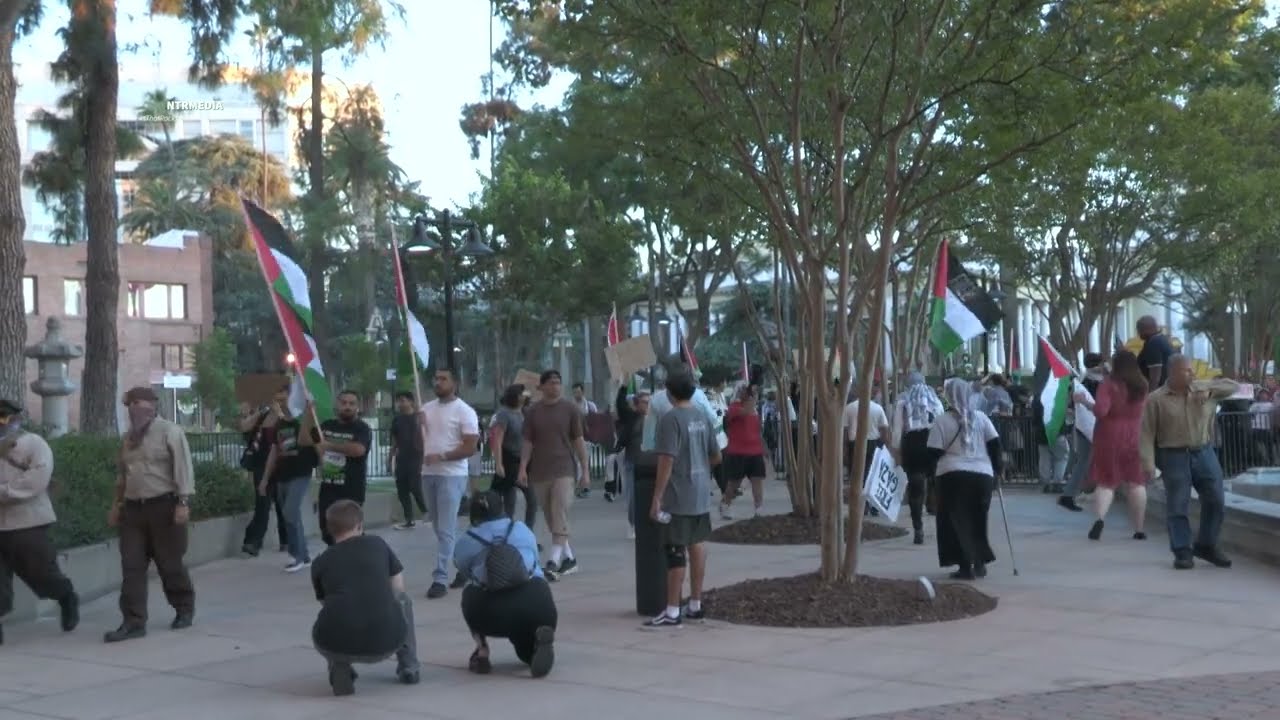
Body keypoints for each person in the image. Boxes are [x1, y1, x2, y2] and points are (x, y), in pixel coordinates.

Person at [105, 386, 197, 642]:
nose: (134, 408)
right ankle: (133, 621)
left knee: (170, 564)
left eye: (139, 402)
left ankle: (184, 608)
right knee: (131, 566)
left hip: (164, 506)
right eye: (130, 404)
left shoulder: (170, 431)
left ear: (152, 405)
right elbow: (123, 477)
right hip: (133, 510)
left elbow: (183, 468)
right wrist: (116, 505)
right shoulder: (128, 439)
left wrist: (183, 502)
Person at [310, 500, 420, 695]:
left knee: (332, 614)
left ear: (329, 529)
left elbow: (324, 602)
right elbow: (398, 588)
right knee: (404, 601)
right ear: (360, 525)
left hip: (341, 645)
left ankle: (340, 668)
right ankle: (408, 665)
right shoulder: (377, 544)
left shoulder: (320, 562)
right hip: (388, 641)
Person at [1139, 355, 1239, 570]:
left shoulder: (1202, 388)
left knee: (1216, 500)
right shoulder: (1156, 399)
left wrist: (1210, 390)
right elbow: (1146, 434)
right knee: (1178, 505)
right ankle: (1182, 551)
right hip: (1173, 455)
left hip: (1204, 453)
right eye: (1186, 371)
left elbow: (1234, 386)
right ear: (1172, 372)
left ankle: (1207, 544)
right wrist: (1148, 464)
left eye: (1192, 370)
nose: (1192, 374)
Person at [644, 370, 720, 629]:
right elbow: (716, 455)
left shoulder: (670, 419)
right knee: (697, 545)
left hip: (678, 494)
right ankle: (695, 604)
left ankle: (672, 610)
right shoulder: (702, 417)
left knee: (675, 549)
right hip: (700, 492)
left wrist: (657, 497)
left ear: (669, 392)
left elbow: (667, 459)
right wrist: (699, 466)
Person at [453, 491, 557, 678]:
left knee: (469, 591)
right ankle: (539, 636)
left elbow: (462, 568)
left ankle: (482, 650)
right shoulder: (522, 529)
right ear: (502, 509)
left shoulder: (468, 538)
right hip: (537, 601)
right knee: (525, 648)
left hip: (490, 611)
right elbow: (534, 557)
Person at [0, 399, 78, 643]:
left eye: (5, 418)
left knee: (42, 572)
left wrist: (4, 492)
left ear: (15, 419)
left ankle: (66, 596)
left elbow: (37, 479)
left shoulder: (33, 443)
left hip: (27, 522)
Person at [928, 379, 1001, 581]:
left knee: (956, 522)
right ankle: (979, 562)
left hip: (953, 476)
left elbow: (933, 451)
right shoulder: (982, 418)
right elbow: (995, 445)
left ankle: (964, 566)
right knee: (978, 520)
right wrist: (997, 471)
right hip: (982, 476)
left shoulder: (942, 421)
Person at [520, 370, 589, 579]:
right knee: (551, 517)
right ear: (541, 387)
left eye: (558, 383)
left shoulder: (570, 409)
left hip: (564, 469)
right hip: (540, 471)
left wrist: (585, 470)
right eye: (550, 383)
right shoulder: (532, 411)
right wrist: (522, 467)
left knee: (559, 510)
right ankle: (569, 559)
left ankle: (552, 561)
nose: (555, 386)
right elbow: (527, 442)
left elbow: (579, 441)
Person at [420, 368, 481, 599]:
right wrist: (419, 425)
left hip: (452, 474)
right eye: (435, 379)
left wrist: (443, 457)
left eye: (443, 378)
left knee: (445, 529)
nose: (438, 382)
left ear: (454, 383)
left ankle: (440, 578)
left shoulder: (465, 411)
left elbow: (470, 446)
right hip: (428, 473)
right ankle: (464, 567)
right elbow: (423, 442)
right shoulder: (426, 409)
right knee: (439, 527)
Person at [1074, 350, 1148, 541]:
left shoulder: (1108, 385)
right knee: (1136, 482)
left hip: (1108, 436)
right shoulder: (1142, 385)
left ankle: (1099, 519)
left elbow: (1100, 411)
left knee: (1106, 482)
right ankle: (1139, 529)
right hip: (1133, 436)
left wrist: (1084, 402)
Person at [262, 397, 320, 574]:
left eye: (286, 400)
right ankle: (304, 555)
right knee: (290, 516)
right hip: (282, 475)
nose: (282, 403)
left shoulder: (303, 422)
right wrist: (265, 478)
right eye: (280, 401)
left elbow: (318, 446)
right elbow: (274, 452)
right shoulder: (278, 425)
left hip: (301, 473)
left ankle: (297, 555)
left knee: (290, 511)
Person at [889, 371, 943, 545]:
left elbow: (897, 429)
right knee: (937, 481)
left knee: (916, 487)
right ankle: (936, 511)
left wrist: (895, 449)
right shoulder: (934, 398)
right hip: (932, 441)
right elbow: (941, 421)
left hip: (912, 444)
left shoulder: (903, 400)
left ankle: (918, 527)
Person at [317, 391, 372, 546]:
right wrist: (309, 413)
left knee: (350, 532)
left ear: (357, 407)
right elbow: (308, 440)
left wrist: (330, 446)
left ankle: (359, 561)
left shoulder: (362, 428)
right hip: (328, 487)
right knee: (327, 531)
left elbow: (358, 450)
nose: (347, 406)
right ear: (337, 404)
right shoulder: (327, 426)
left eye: (351, 403)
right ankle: (338, 562)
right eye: (344, 403)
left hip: (351, 489)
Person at [240, 390, 289, 556]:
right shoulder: (264, 415)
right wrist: (262, 412)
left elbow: (290, 435)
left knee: (283, 504)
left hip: (282, 465)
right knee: (262, 503)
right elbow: (244, 426)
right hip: (261, 465)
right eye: (275, 397)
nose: (278, 400)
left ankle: (286, 540)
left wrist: (280, 413)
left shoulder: (290, 415)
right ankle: (253, 542)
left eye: (282, 397)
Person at [1060, 354, 1106, 513]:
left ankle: (1072, 493)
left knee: (1083, 461)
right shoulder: (1094, 382)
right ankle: (1070, 494)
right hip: (1091, 426)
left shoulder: (1083, 381)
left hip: (1084, 425)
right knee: (1084, 462)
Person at [491, 384, 536, 529]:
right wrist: (499, 464)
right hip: (510, 460)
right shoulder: (504, 414)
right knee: (510, 501)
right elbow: (497, 440)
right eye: (523, 393)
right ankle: (507, 533)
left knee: (532, 500)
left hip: (525, 461)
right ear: (516, 396)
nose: (526, 395)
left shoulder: (525, 413)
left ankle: (527, 534)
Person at [721, 385, 766, 519]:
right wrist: (753, 397)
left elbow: (757, 431)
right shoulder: (734, 408)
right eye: (744, 391)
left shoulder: (755, 411)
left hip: (755, 451)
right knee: (734, 483)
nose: (747, 394)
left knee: (757, 480)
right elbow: (745, 411)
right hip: (738, 452)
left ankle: (759, 509)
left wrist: (764, 448)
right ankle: (725, 504)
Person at [842, 384, 890, 512]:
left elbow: (845, 431)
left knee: (857, 475)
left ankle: (860, 505)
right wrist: (887, 448)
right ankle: (872, 504)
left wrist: (845, 450)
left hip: (855, 444)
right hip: (873, 444)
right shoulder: (877, 408)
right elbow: (884, 429)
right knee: (872, 475)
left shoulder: (849, 408)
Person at [615, 385, 652, 540]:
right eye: (644, 402)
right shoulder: (632, 417)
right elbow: (621, 405)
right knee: (633, 496)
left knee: (651, 495)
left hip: (650, 463)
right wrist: (623, 387)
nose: (647, 405)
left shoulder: (656, 419)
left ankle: (648, 524)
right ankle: (633, 524)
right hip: (632, 462)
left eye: (649, 402)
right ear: (637, 404)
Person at [388, 392, 427, 530]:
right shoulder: (397, 420)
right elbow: (394, 440)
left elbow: (428, 435)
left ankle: (427, 512)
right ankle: (409, 519)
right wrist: (391, 456)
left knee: (415, 487)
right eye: (399, 401)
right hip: (402, 457)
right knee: (402, 489)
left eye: (403, 400)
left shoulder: (419, 418)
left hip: (417, 457)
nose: (400, 404)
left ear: (411, 402)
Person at [1136, 316, 1175, 390]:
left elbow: (1155, 376)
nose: (1138, 333)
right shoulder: (1160, 339)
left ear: (1147, 329)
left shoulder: (1154, 343)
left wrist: (1150, 396)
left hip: (1159, 390)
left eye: (1139, 329)